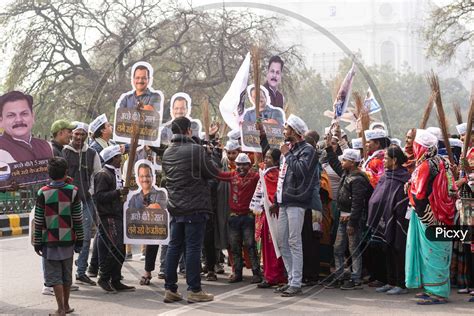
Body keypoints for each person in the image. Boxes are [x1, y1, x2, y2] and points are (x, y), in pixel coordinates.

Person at [161, 116, 218, 303]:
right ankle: (194, 289)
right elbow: (213, 173)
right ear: (188, 131)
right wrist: (209, 155)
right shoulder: (196, 150)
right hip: (195, 207)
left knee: (174, 247)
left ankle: (170, 289)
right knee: (193, 248)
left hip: (176, 207)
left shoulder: (168, 152)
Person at [405, 129, 456, 305]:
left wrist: (425, 215)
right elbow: (451, 188)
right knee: (435, 252)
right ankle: (431, 288)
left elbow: (419, 194)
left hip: (429, 215)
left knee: (432, 253)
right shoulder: (443, 161)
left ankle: (438, 292)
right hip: (444, 214)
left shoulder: (426, 166)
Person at [270, 114, 318, 297]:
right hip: (284, 201)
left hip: (297, 202)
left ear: (295, 132)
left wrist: (287, 154)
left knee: (294, 242)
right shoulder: (287, 150)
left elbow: (302, 172)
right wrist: (275, 199)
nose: (284, 131)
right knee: (282, 242)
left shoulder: (307, 150)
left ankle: (296, 282)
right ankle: (291, 278)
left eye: (287, 128)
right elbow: (282, 178)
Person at [33, 157, 84, 315]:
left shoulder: (43, 192)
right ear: (66, 172)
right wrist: (80, 240)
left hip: (50, 241)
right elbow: (78, 219)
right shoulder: (73, 191)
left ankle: (60, 308)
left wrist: (37, 242)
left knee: (55, 276)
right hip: (68, 240)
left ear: (49, 173)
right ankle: (66, 306)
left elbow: (39, 220)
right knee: (66, 274)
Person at [325, 147, 373, 290]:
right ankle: (339, 276)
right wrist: (329, 148)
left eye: (344, 160)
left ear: (352, 162)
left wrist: (352, 222)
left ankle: (355, 278)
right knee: (338, 248)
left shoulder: (357, 179)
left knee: (354, 249)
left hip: (353, 220)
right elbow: (335, 163)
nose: (342, 162)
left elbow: (357, 204)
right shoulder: (347, 173)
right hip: (343, 217)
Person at [367, 145, 410, 295]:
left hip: (398, 220)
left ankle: (401, 284)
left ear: (395, 160)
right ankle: (390, 281)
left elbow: (402, 199)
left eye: (386, 158)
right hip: (384, 219)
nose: (383, 161)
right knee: (387, 249)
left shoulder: (403, 177)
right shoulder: (386, 176)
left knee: (398, 250)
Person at [62, 122, 101, 286]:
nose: (79, 137)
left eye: (82, 134)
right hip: (66, 202)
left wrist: (91, 191)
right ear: (71, 134)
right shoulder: (65, 152)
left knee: (85, 238)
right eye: (76, 134)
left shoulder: (92, 153)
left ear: (86, 136)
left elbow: (97, 175)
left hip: (86, 201)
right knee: (66, 239)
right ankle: (66, 277)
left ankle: (81, 272)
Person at [94, 145, 135, 293]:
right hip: (108, 216)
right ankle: (104, 277)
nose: (121, 160)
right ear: (112, 158)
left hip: (117, 214)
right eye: (118, 157)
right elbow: (99, 197)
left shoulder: (115, 173)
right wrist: (117, 193)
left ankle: (116, 279)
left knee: (121, 249)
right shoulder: (103, 175)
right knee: (116, 248)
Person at [218, 153, 262, 284]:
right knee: (234, 246)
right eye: (238, 164)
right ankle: (237, 273)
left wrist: (259, 161)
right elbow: (217, 174)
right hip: (234, 217)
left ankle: (256, 273)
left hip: (248, 217)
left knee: (250, 245)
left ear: (249, 165)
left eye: (244, 165)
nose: (241, 167)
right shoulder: (232, 175)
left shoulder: (255, 177)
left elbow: (265, 174)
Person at [130, 163, 168, 285]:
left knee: (167, 244)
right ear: (138, 177)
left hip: (161, 227)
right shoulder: (134, 196)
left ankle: (166, 270)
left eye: (147, 176)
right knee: (151, 243)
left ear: (152, 177)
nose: (145, 179)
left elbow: (158, 207)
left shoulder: (160, 193)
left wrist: (146, 209)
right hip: (147, 229)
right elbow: (131, 212)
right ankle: (148, 272)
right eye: (142, 176)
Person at [0, 91, 53, 163]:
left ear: (32, 117)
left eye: (24, 114)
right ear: (1, 121)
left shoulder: (47, 146)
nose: (19, 120)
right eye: (11, 115)